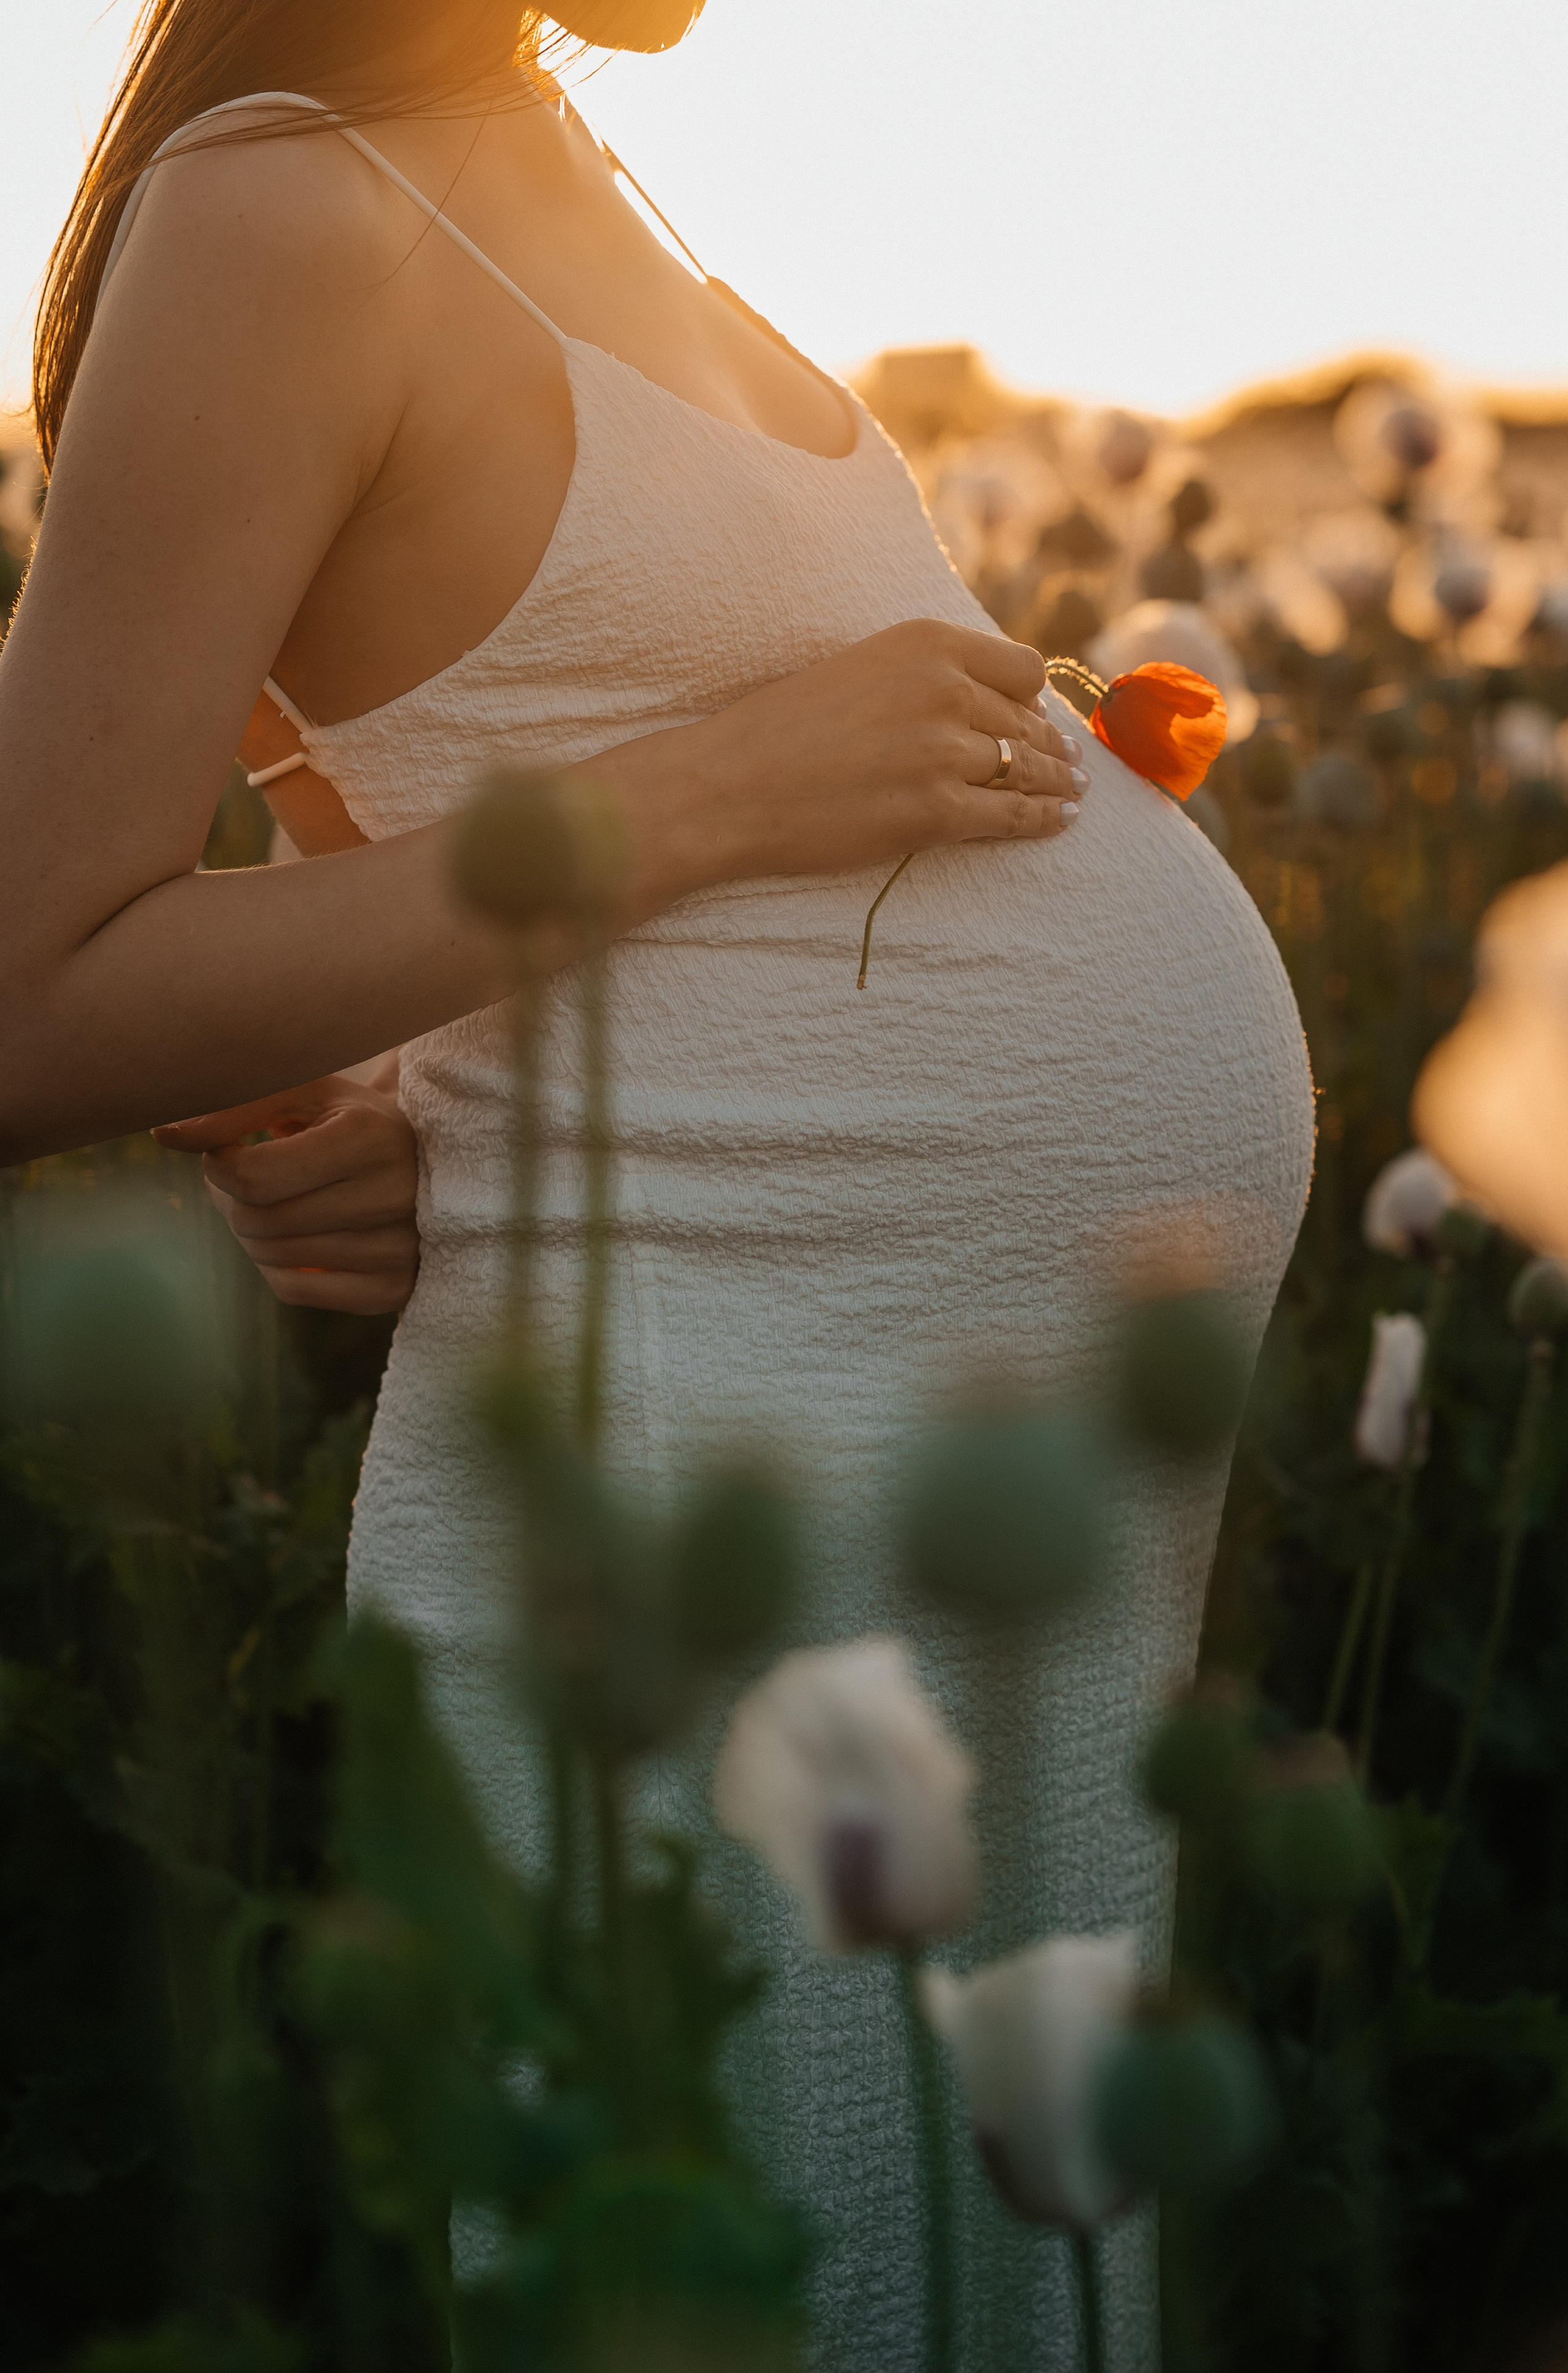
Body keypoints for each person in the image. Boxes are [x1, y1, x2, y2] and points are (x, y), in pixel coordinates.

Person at [0, 2, 1313, 2363]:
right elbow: (38, 986)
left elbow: (402, 836)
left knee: (978, 2262)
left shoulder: (571, 165)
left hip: (981, 1489)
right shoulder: (286, 210)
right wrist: (711, 792)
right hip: (708, 1478)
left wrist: (403, 1100)